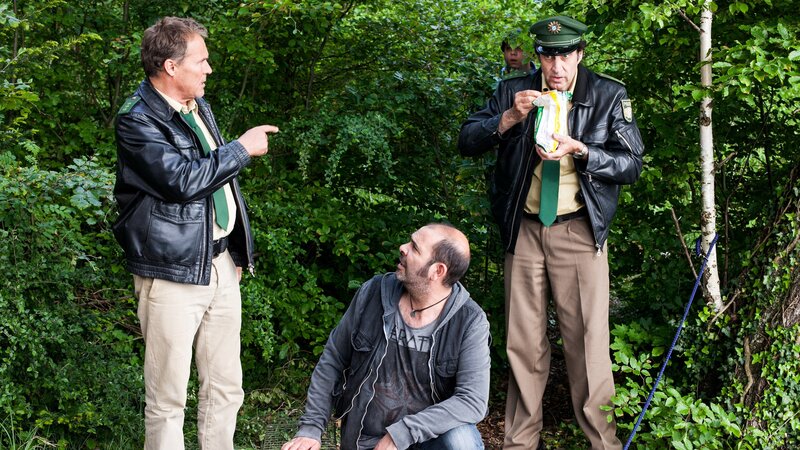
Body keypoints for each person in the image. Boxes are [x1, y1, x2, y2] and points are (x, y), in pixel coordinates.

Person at [458, 15, 644, 450]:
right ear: (538, 55)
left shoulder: (607, 95)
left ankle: (603, 443)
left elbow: (631, 164)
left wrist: (582, 150)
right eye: (547, 54)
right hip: (523, 232)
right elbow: (467, 140)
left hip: (578, 232)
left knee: (588, 348)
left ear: (580, 54)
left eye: (564, 55)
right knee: (522, 345)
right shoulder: (513, 91)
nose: (555, 65)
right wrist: (507, 118)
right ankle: (521, 443)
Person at [112, 16, 279, 450]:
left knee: (226, 388)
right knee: (168, 398)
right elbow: (182, 181)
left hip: (220, 264)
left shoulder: (197, 105)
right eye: (201, 61)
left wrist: (235, 254)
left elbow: (217, 184)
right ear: (170, 66)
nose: (209, 70)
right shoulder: (137, 120)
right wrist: (241, 148)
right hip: (170, 272)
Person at [281, 223, 490, 450]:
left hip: (427, 442)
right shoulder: (373, 293)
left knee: (462, 440)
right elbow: (333, 359)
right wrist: (311, 428)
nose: (403, 248)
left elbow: (472, 401)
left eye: (415, 248)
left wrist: (401, 434)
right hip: (366, 440)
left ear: (437, 271)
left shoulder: (469, 321)